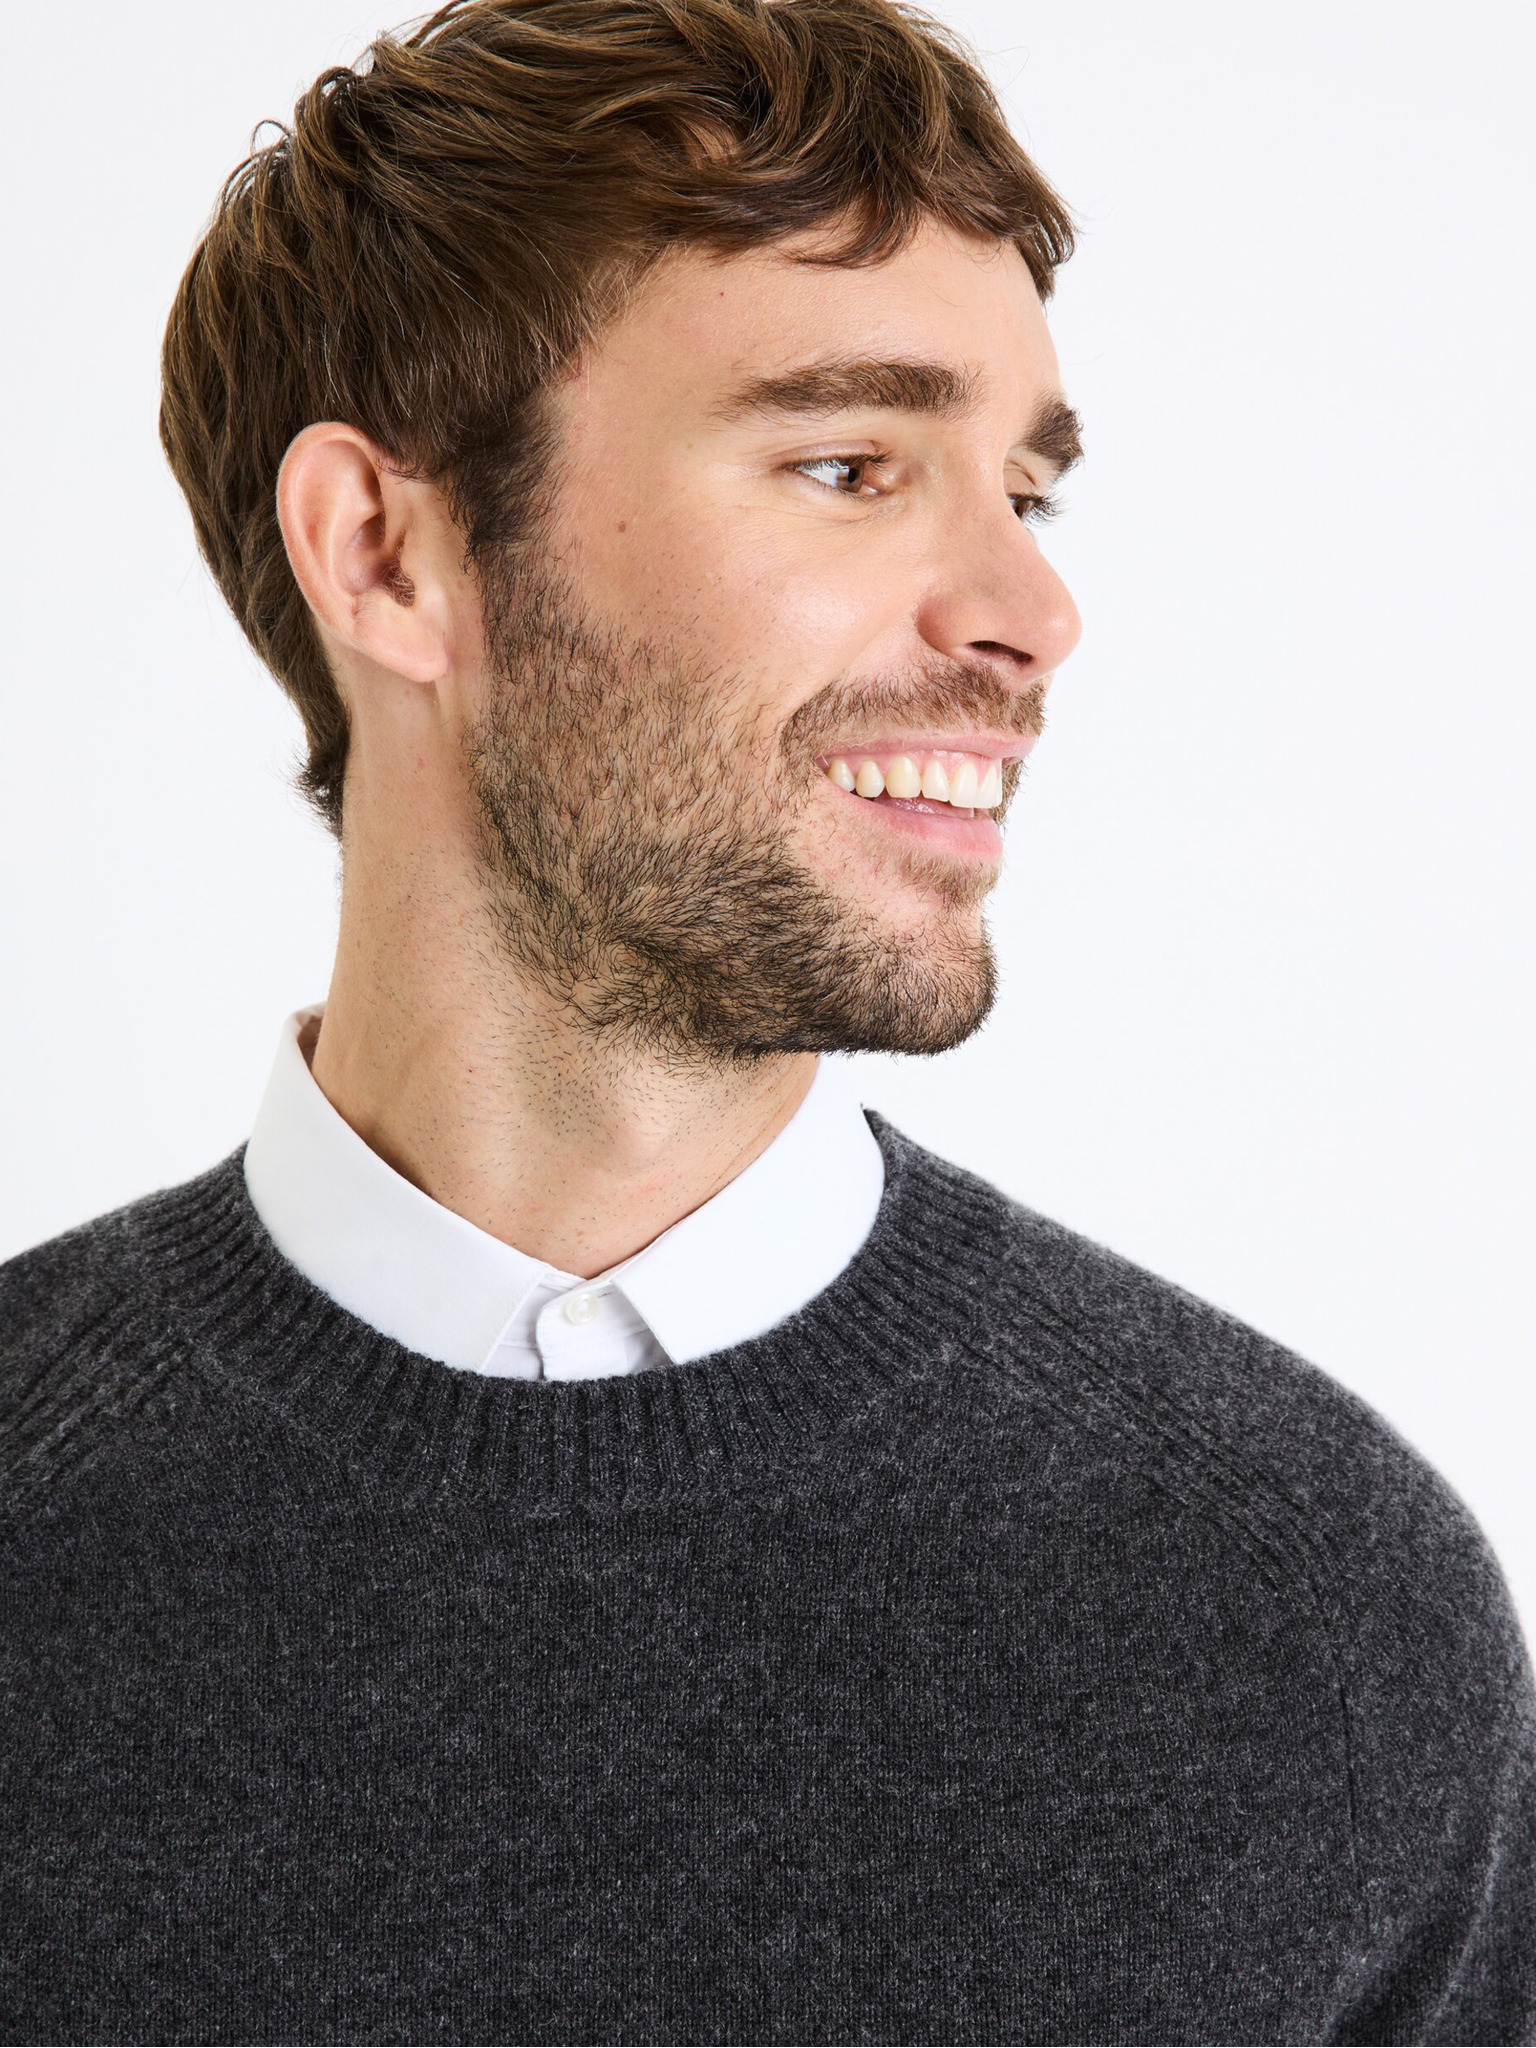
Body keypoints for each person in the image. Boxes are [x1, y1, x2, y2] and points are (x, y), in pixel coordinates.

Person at [3, 0, 1532, 2038]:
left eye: (1025, 492)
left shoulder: (1316, 1610)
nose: (1030, 615)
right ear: (385, 552)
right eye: (847, 464)